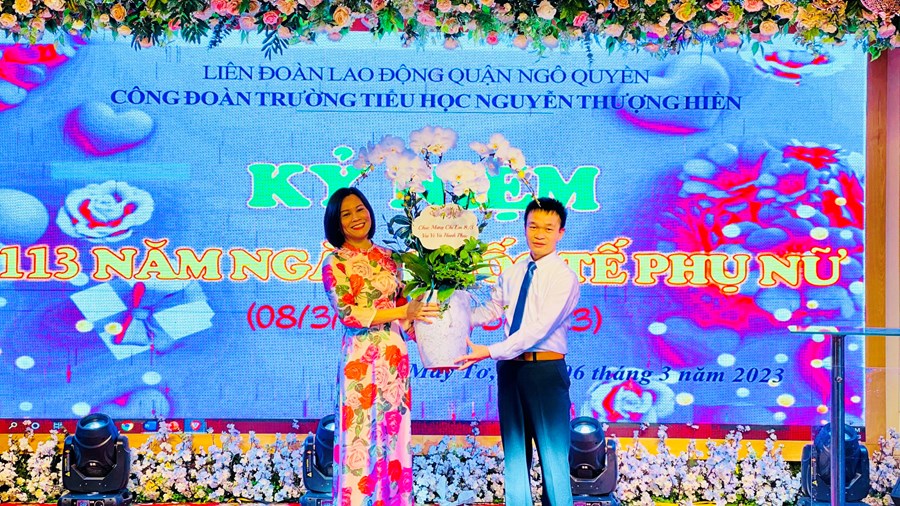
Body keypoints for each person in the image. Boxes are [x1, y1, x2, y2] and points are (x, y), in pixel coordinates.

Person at [456, 197, 580, 506]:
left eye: (548, 228)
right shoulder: (513, 271)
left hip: (545, 372)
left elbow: (538, 329)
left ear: (561, 233)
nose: (539, 234)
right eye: (533, 226)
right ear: (524, 227)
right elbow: (490, 310)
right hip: (510, 370)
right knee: (514, 458)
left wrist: (490, 351)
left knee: (554, 460)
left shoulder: (563, 277)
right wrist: (450, 319)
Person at [322, 187, 440, 506]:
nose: (356, 218)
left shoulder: (391, 258)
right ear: (336, 222)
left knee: (394, 433)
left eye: (360, 209)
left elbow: (404, 308)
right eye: (346, 214)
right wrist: (403, 311)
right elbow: (349, 313)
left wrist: (436, 332)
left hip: (393, 355)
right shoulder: (335, 262)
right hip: (359, 358)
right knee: (358, 433)